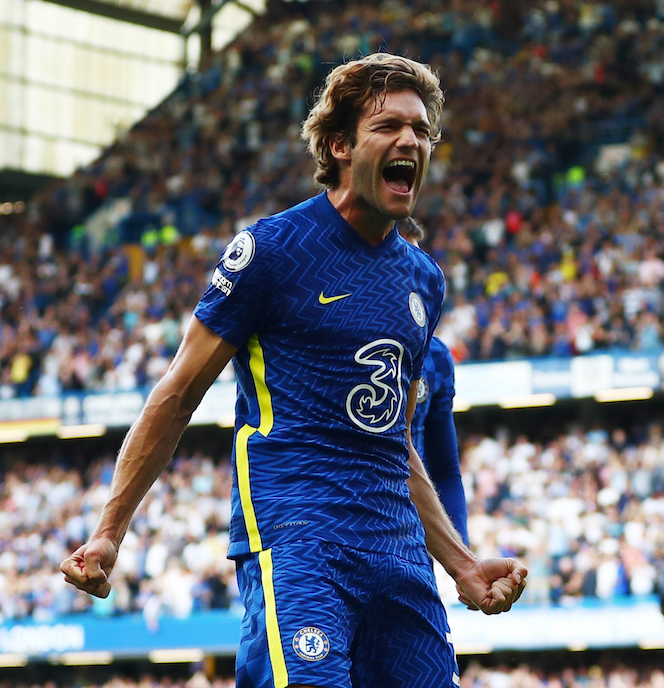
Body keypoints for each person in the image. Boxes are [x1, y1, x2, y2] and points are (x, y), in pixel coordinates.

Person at [60, 53, 527, 688]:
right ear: (338, 145)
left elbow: (394, 441)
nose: (411, 142)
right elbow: (176, 395)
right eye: (389, 126)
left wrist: (462, 565)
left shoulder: (424, 281)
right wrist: (110, 530)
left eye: (421, 131)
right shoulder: (273, 251)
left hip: (399, 554)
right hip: (299, 542)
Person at [398, 217, 468, 546]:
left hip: (411, 542)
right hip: (337, 532)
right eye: (402, 258)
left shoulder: (437, 357)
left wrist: (463, 553)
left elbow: (445, 472)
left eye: (418, 258)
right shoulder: (334, 341)